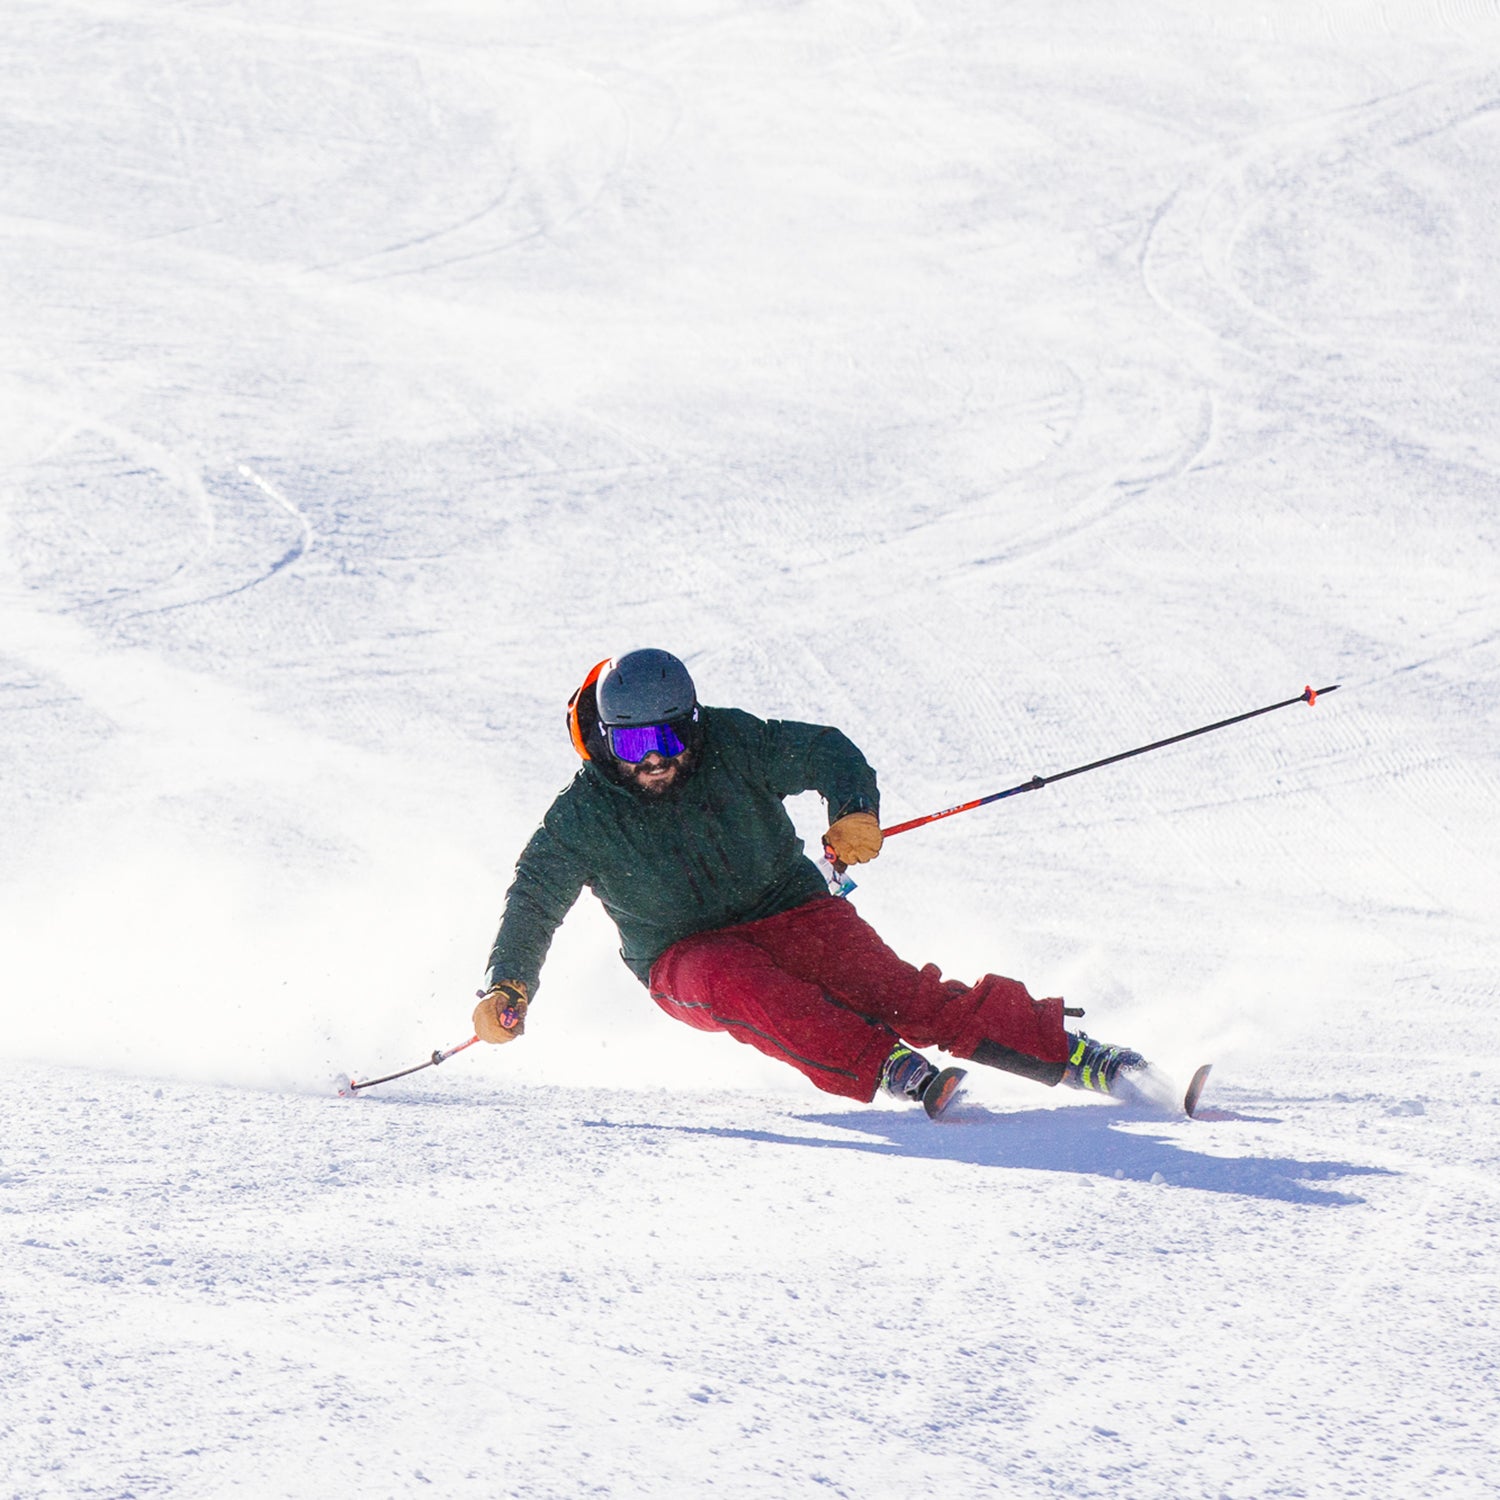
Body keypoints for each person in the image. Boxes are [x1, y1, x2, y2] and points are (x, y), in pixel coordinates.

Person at [472, 648, 1148, 1117]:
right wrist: (509, 983)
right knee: (734, 974)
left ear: (692, 727)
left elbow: (827, 749)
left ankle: (1078, 1057)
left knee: (899, 992)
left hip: (789, 907)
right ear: (604, 741)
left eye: (668, 741)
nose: (652, 761)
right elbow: (534, 897)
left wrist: (853, 808)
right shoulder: (583, 815)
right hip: (681, 958)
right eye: (629, 746)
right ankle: (883, 1063)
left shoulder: (733, 743)